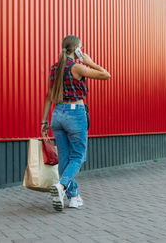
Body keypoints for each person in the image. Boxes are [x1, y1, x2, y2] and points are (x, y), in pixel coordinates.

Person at [41, 35, 111, 211]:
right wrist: (90, 61)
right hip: (75, 114)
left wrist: (44, 120)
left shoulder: (54, 68)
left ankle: (74, 197)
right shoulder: (78, 67)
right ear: (77, 49)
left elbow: (49, 96)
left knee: (65, 158)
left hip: (57, 114)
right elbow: (106, 75)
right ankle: (61, 186)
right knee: (79, 156)